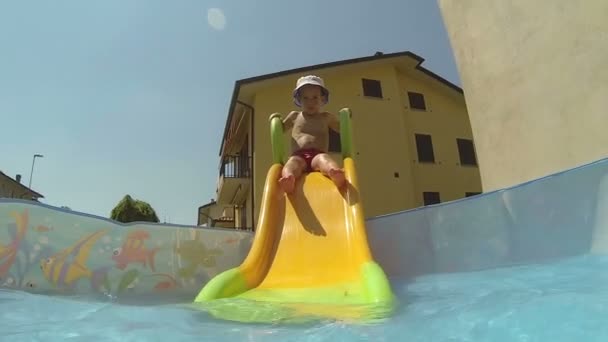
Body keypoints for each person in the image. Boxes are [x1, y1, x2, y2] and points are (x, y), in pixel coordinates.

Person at [276, 75, 346, 194]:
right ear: (299, 100)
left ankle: (334, 173)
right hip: (298, 155)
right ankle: (289, 180)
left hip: (317, 155)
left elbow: (342, 129)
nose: (310, 102)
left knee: (324, 160)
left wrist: (345, 118)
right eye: (305, 98)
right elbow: (279, 130)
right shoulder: (294, 116)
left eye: (315, 97)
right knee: (292, 165)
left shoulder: (326, 117)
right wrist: (276, 120)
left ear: (322, 99)